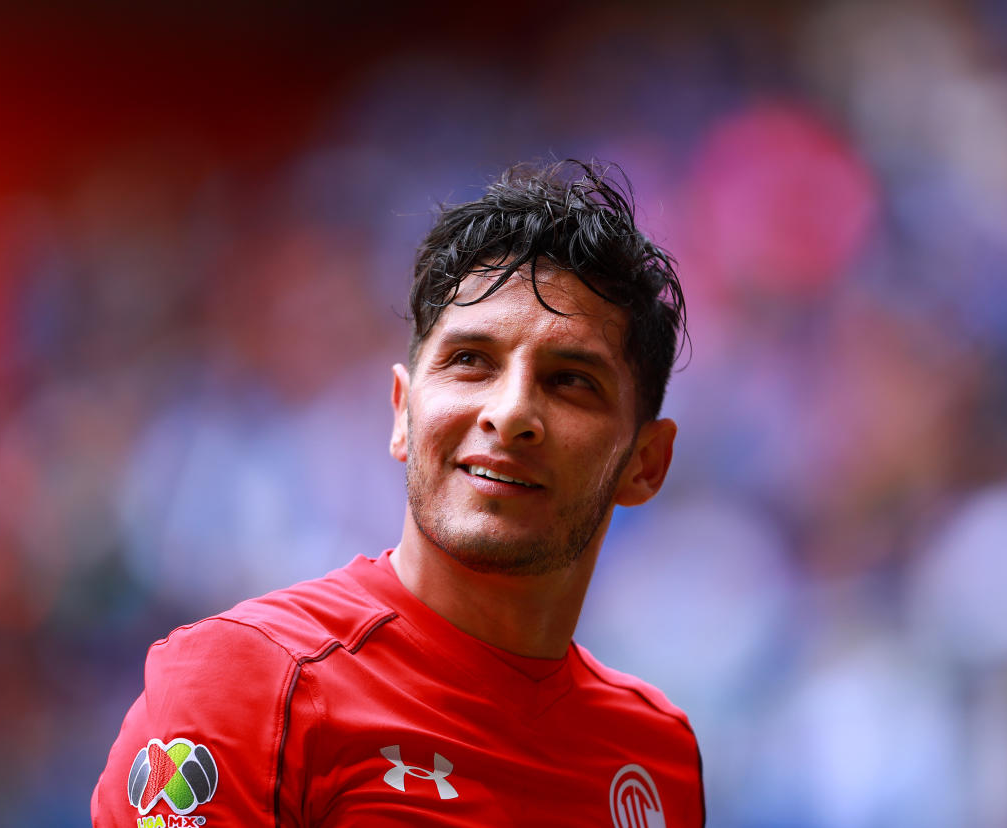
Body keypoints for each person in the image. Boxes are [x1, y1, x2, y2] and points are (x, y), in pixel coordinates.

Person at [92, 160, 704, 827]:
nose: (510, 412)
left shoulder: (656, 754)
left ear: (646, 463)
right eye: (471, 360)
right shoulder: (249, 682)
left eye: (570, 381)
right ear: (401, 413)